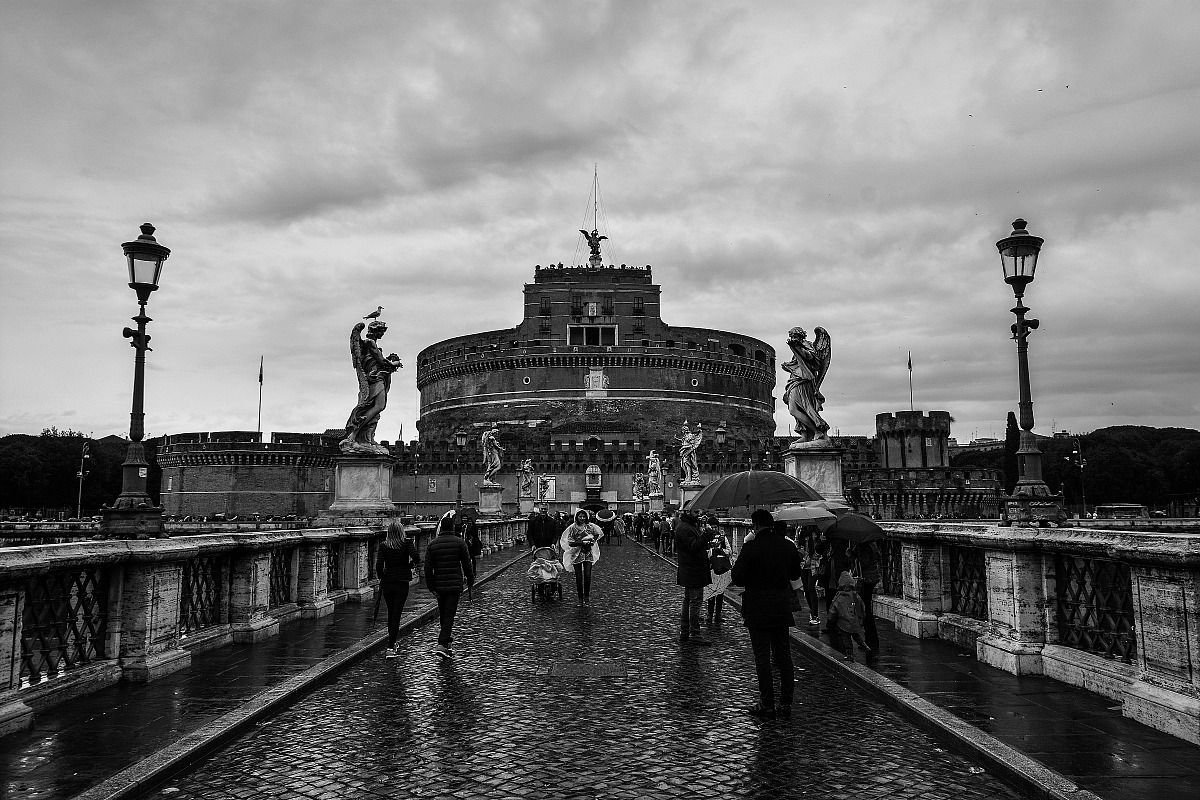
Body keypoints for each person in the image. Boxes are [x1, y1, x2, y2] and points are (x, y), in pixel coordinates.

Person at [730, 509, 802, 719]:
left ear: (755, 526)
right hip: (781, 607)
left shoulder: (751, 547)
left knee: (762, 658)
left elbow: (737, 577)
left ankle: (767, 703)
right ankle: (786, 703)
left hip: (758, 609)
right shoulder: (787, 546)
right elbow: (795, 574)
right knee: (784, 656)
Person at [423, 510, 475, 660]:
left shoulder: (432, 545)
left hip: (439, 585)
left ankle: (447, 643)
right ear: (452, 527)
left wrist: (431, 587)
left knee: (444, 614)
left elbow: (427, 568)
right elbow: (467, 564)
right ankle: (441, 644)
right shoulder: (460, 543)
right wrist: (470, 580)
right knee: (449, 615)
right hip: (454, 585)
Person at [375, 520, 419, 659]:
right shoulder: (406, 543)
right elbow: (417, 557)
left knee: (391, 613)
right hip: (402, 582)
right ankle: (390, 647)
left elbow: (378, 565)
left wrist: (382, 576)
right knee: (397, 614)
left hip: (388, 582)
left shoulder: (384, 545)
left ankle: (392, 644)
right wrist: (410, 566)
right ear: (401, 532)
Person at [675, 510, 715, 645]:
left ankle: (685, 632)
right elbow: (694, 547)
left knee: (689, 601)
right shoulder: (686, 528)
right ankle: (694, 633)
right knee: (695, 602)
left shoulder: (689, 526)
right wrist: (706, 535)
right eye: (696, 511)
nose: (699, 513)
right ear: (688, 511)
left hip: (691, 570)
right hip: (693, 571)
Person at [560, 509, 603, 602]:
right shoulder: (573, 528)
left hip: (588, 553)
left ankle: (586, 595)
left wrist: (592, 541)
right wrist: (581, 542)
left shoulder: (590, 526)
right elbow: (570, 542)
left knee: (587, 575)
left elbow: (597, 534)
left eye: (584, 516)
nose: (582, 518)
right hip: (576, 554)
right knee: (579, 577)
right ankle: (580, 597)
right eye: (580, 516)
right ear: (577, 517)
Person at [826, 571, 870, 660]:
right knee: (856, 635)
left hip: (843, 622)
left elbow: (833, 611)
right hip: (855, 621)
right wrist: (861, 619)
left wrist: (830, 622)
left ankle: (850, 654)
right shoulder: (855, 595)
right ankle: (865, 646)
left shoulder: (839, 597)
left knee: (846, 638)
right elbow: (861, 608)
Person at [703, 516, 732, 629]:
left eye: (716, 527)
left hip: (722, 568)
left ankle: (718, 614)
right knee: (711, 591)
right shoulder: (705, 538)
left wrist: (721, 550)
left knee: (720, 592)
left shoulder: (722, 538)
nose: (714, 529)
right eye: (712, 527)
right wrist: (712, 551)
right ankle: (710, 613)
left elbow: (729, 551)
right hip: (711, 568)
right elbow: (703, 553)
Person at [856, 541, 882, 651]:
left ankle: (870, 641)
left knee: (865, 610)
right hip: (872, 578)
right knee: (867, 609)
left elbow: (864, 562)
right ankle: (872, 640)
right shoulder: (872, 544)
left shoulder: (862, 545)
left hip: (866, 579)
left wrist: (852, 556)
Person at [797, 526, 823, 626]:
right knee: (806, 589)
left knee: (811, 587)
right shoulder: (802, 532)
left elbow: (819, 551)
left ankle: (815, 614)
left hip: (813, 564)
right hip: (804, 565)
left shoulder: (816, 534)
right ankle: (812, 611)